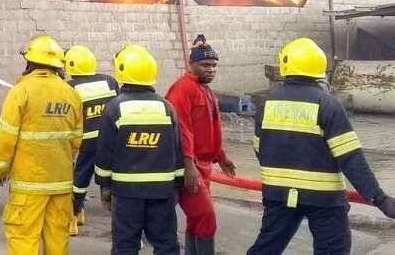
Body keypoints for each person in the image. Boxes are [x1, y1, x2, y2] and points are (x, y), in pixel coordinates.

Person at [247, 38, 395, 254]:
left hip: (278, 195)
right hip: (323, 199)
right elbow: (351, 159)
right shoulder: (327, 105)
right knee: (333, 250)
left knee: (266, 248)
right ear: (320, 70)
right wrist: (379, 198)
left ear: (286, 66)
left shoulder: (267, 104)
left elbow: (260, 148)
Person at [0, 35, 83, 255]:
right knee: (58, 241)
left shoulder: (21, 92)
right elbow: (76, 140)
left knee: (23, 241)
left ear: (29, 62)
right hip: (61, 185)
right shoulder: (71, 94)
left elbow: (5, 138)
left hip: (28, 188)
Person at [95, 45, 183, 255]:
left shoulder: (115, 108)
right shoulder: (167, 108)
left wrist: (104, 187)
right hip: (162, 192)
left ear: (122, 72)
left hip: (126, 193)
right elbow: (177, 150)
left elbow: (105, 153)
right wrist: (177, 186)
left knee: (125, 244)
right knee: (166, 244)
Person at [166, 35, 235, 255]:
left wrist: (221, 156)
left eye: (214, 65)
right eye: (205, 65)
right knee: (206, 218)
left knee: (196, 221)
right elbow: (182, 131)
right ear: (192, 64)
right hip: (190, 167)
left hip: (202, 165)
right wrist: (189, 166)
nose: (211, 69)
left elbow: (210, 128)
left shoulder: (205, 90)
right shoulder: (183, 89)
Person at [63, 45, 119, 236]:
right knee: (111, 181)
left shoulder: (70, 87)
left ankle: (74, 217)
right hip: (111, 142)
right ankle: (121, 223)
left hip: (87, 143)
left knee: (80, 179)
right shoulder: (110, 81)